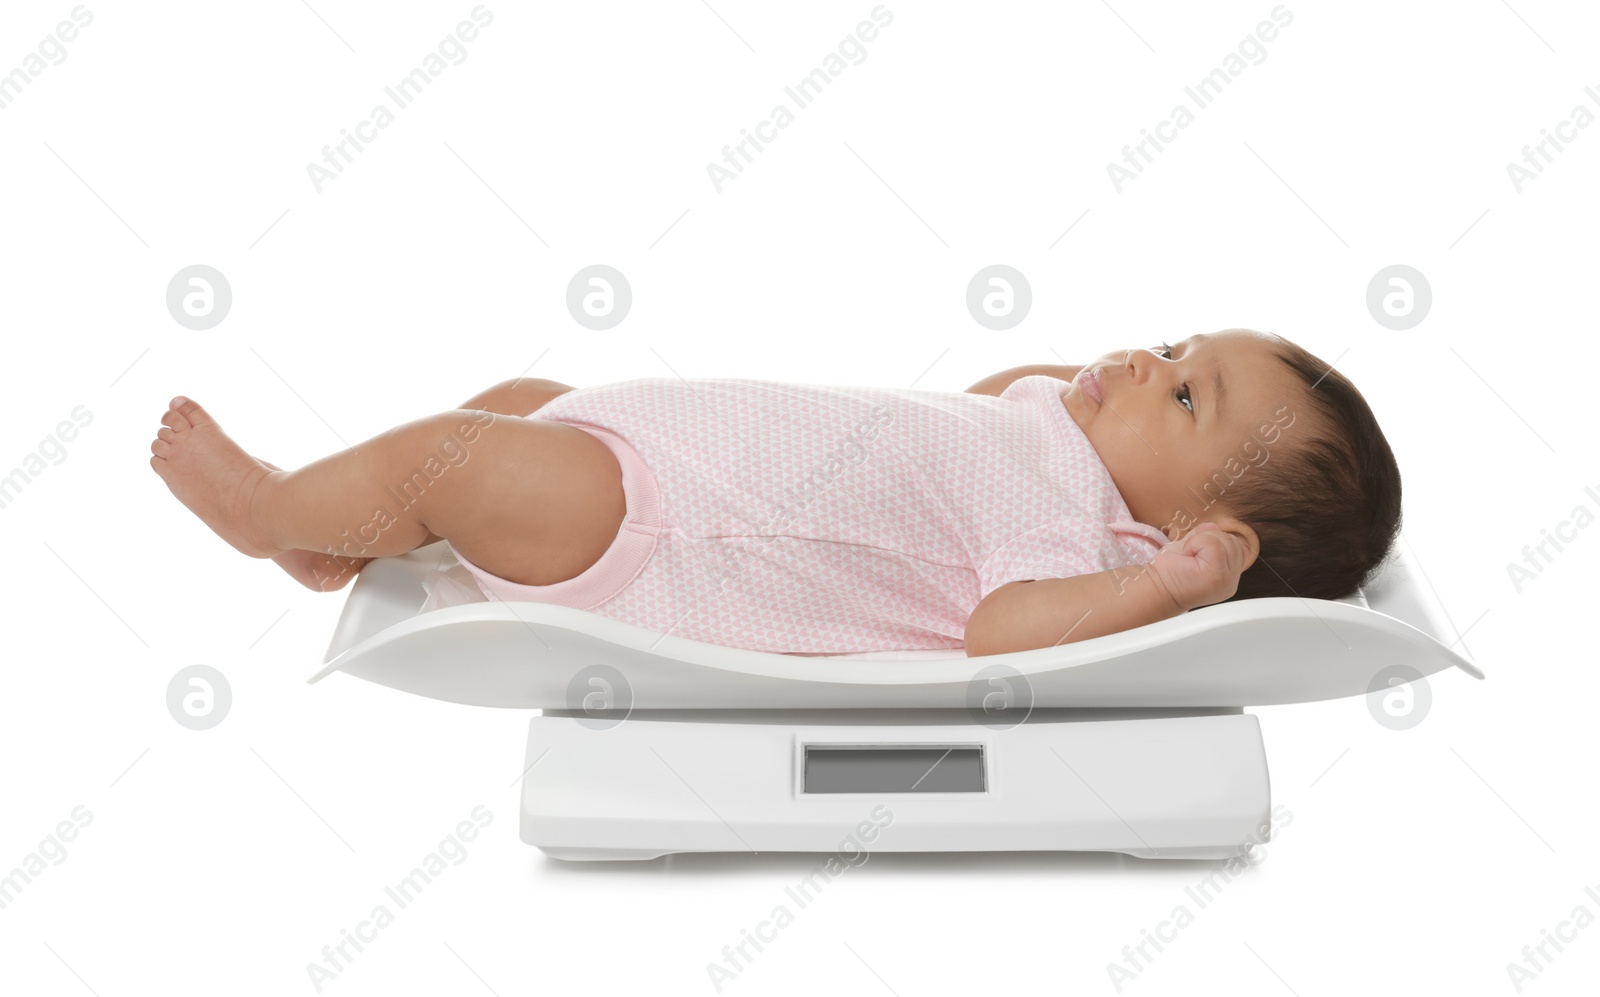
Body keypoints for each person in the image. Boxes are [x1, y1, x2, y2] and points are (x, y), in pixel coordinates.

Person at [150, 328, 1400, 656]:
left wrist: (1159, 586)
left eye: (1184, 398)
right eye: (1175, 344)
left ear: (1202, 534)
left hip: (661, 533)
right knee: (525, 398)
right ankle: (347, 545)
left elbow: (999, 631)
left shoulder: (1080, 536)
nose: (1143, 359)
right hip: (653, 454)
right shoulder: (1054, 448)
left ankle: (270, 510)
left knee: (464, 457)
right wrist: (1086, 394)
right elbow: (973, 408)